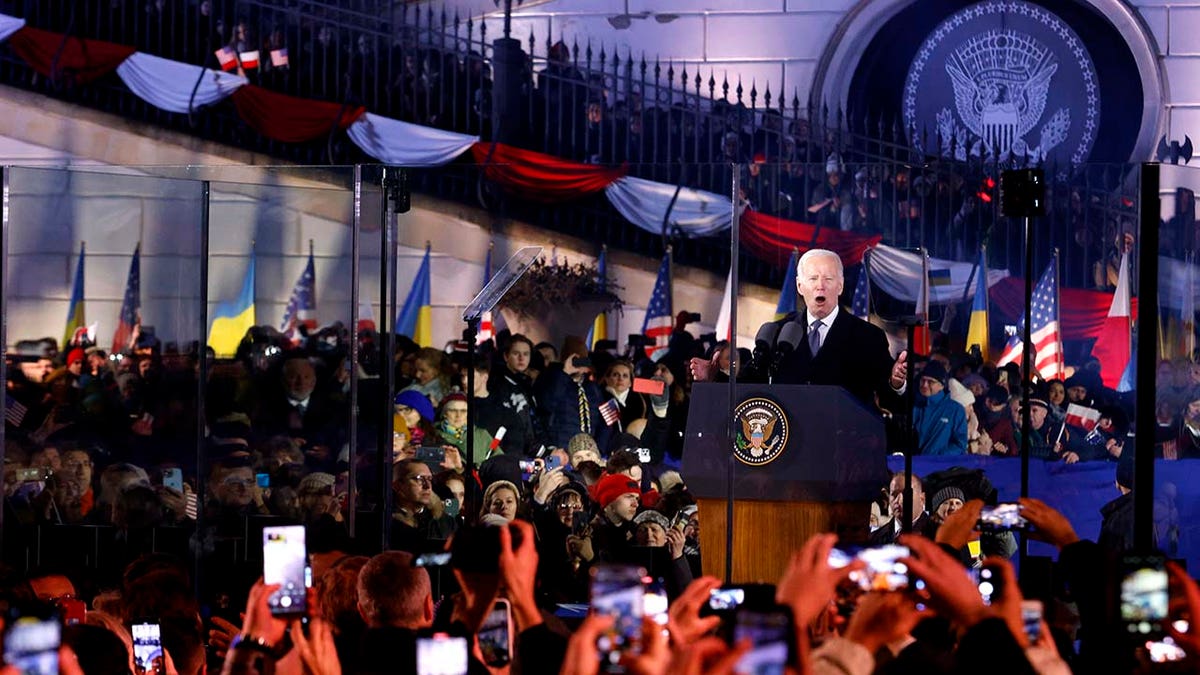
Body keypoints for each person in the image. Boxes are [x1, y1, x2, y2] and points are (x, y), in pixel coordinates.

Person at [690, 249, 907, 409]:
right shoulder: (777, 331)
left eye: (828, 279)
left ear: (840, 285)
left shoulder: (868, 337)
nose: (820, 285)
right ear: (799, 286)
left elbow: (891, 400)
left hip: (844, 454)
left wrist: (896, 382)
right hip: (787, 452)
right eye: (813, 278)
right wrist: (715, 378)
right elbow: (748, 387)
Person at [913, 361, 968, 455]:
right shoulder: (914, 405)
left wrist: (939, 456)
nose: (925, 385)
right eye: (923, 380)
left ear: (942, 385)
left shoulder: (955, 410)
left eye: (931, 382)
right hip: (911, 465)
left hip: (939, 467)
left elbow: (960, 444)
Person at [868, 471, 938, 545]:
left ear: (922, 499)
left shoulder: (939, 536)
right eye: (894, 495)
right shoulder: (875, 539)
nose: (899, 500)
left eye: (906, 494)